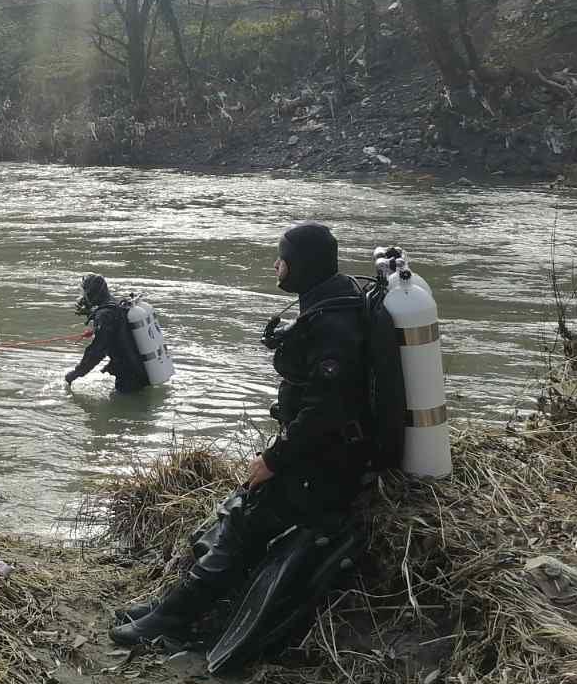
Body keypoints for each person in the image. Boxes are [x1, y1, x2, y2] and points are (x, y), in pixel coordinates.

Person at [110, 223, 371, 646]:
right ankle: (168, 607)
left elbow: (327, 411)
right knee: (236, 511)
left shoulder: (334, 325)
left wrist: (273, 460)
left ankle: (172, 620)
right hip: (320, 455)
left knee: (245, 522)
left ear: (301, 265)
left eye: (283, 258)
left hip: (327, 467)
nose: (277, 266)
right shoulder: (329, 304)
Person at [64, 274, 149, 394]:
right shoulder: (116, 304)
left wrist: (75, 374)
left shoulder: (105, 315)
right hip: (140, 369)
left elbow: (97, 352)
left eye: (85, 293)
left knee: (119, 411)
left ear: (92, 293)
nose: (83, 297)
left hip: (130, 378)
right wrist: (90, 313)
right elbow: (116, 330)